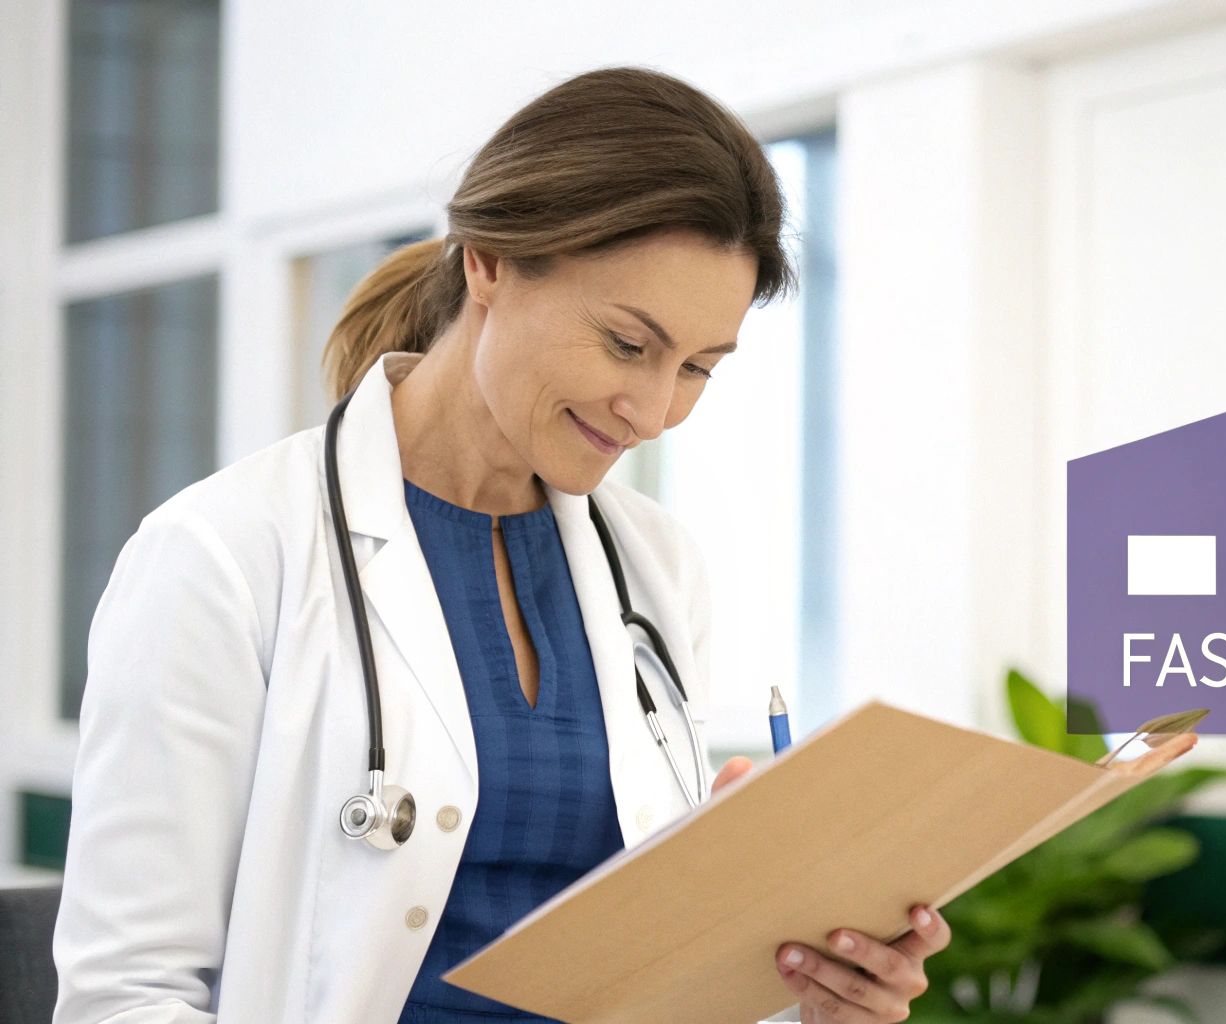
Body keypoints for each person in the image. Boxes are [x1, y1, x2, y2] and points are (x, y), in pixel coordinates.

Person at [50, 65, 948, 1024]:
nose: (651, 412)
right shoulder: (224, 554)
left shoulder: (655, 565)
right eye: (625, 344)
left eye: (696, 368)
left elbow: (652, 971)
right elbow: (125, 993)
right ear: (487, 262)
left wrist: (816, 993)